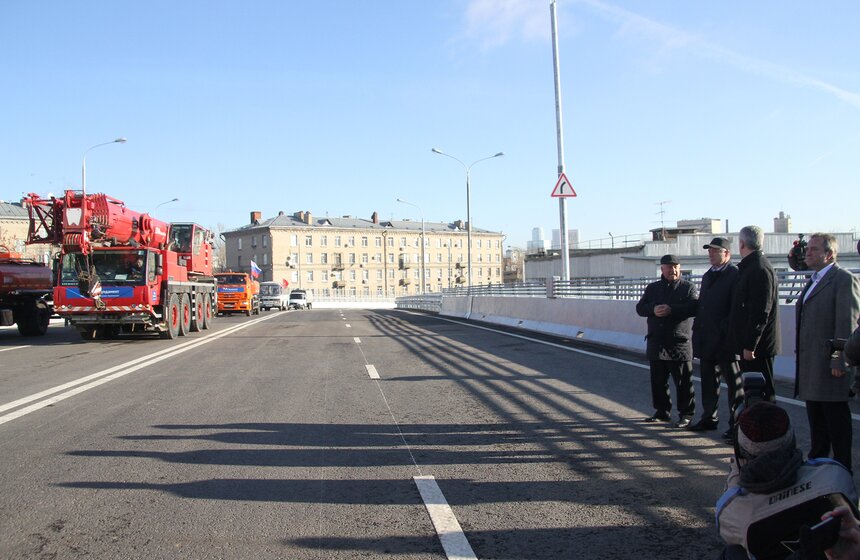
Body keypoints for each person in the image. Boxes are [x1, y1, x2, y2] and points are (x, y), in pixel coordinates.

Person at [716, 402, 859, 559]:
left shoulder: (733, 508)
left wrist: (737, 469)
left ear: (741, 449)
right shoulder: (835, 474)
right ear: (792, 438)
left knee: (732, 552)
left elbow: (727, 533)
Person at [794, 233, 860, 472]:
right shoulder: (814, 279)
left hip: (830, 365)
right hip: (813, 364)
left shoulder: (843, 279)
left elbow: (847, 323)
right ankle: (817, 467)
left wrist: (839, 360)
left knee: (836, 423)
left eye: (813, 249)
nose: (807, 253)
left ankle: (842, 471)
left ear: (829, 254)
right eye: (808, 249)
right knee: (817, 421)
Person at [636, 254, 699, 428]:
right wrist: (653, 309)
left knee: (683, 381)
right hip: (657, 340)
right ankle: (662, 411)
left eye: (676, 267)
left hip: (678, 342)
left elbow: (694, 307)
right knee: (658, 380)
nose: (673, 270)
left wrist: (672, 310)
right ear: (662, 269)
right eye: (669, 267)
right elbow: (640, 308)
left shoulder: (688, 287)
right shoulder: (653, 288)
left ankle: (686, 414)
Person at [690, 237, 742, 433]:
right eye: (709, 251)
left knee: (734, 386)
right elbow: (702, 305)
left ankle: (736, 425)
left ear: (727, 253)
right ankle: (709, 418)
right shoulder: (707, 276)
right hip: (706, 339)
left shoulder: (734, 275)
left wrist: (723, 330)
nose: (711, 254)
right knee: (709, 383)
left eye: (715, 251)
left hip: (726, 341)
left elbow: (735, 309)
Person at [729, 225, 781, 402]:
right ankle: (750, 428)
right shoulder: (752, 267)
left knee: (762, 394)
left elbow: (761, 311)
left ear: (742, 243)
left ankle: (765, 429)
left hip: (758, 347)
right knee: (751, 392)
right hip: (752, 345)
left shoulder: (759, 268)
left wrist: (751, 345)